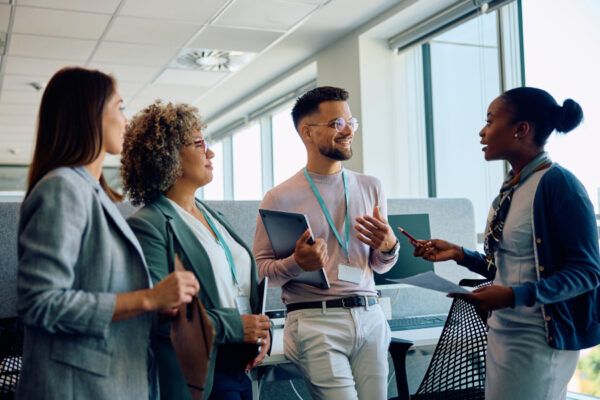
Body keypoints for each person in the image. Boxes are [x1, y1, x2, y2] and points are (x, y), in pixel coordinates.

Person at [16, 67, 199, 400]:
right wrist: (148, 298)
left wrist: (153, 307)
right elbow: (41, 303)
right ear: (90, 114)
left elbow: (97, 287)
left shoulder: (92, 194)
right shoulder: (62, 188)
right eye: (120, 106)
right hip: (76, 387)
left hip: (112, 380)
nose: (126, 120)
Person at [413, 87, 600, 400]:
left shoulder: (559, 184)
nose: (482, 132)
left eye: (490, 121)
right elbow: (511, 266)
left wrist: (514, 295)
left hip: (538, 339)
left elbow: (587, 272)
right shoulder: (512, 188)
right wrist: (460, 254)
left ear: (521, 129)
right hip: (503, 332)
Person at [253, 86, 400, 400]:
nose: (348, 131)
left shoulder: (371, 186)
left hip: (370, 315)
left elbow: (379, 264)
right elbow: (261, 274)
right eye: (337, 124)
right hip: (315, 319)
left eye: (351, 122)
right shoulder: (280, 197)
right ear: (308, 132)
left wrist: (388, 247)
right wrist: (297, 263)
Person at [121, 101, 271, 400]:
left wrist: (260, 333)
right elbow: (158, 314)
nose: (210, 152)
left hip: (240, 366)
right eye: (199, 143)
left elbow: (237, 285)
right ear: (168, 156)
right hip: (200, 374)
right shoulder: (149, 224)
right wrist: (234, 326)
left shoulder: (214, 217)